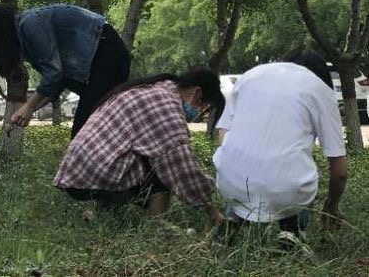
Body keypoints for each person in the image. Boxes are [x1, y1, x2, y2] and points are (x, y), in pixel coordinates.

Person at [53, 68, 225, 225]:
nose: (200, 112)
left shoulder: (154, 90)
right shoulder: (165, 104)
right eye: (203, 107)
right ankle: (157, 226)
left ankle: (104, 215)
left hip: (78, 170)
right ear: (197, 93)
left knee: (148, 156)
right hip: (93, 173)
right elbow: (181, 167)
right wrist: (212, 210)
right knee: (163, 165)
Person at [213, 50, 348, 241]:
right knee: (294, 172)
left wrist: (231, 163)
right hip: (288, 193)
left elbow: (223, 133)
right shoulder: (320, 89)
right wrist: (331, 206)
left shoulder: (249, 77)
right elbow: (340, 172)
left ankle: (233, 220)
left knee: (249, 170)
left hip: (229, 183)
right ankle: (292, 230)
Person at [0, 4, 131, 137]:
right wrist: (28, 109)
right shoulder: (25, 41)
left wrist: (30, 106)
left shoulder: (30, 25)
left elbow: (54, 73)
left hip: (107, 53)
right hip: (98, 62)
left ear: (0, 30)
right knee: (96, 131)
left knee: (82, 134)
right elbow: (57, 83)